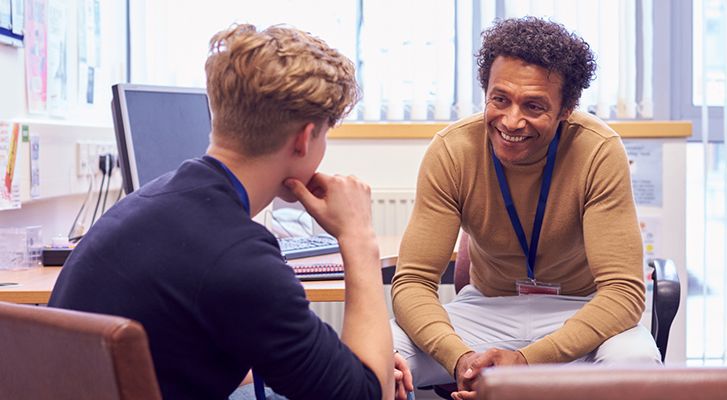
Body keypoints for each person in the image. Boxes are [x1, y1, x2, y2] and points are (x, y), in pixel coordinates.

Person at [49, 24, 413, 400]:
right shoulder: (240, 258)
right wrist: (358, 238)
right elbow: (368, 396)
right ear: (305, 139)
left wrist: (347, 361)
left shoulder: (145, 204)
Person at [391, 16, 660, 399]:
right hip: (485, 312)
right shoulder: (453, 150)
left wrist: (526, 362)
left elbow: (622, 293)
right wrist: (460, 359)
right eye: (500, 99)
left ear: (566, 108)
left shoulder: (599, 151)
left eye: (533, 106)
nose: (511, 120)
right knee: (376, 356)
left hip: (579, 312)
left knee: (637, 366)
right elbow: (413, 283)